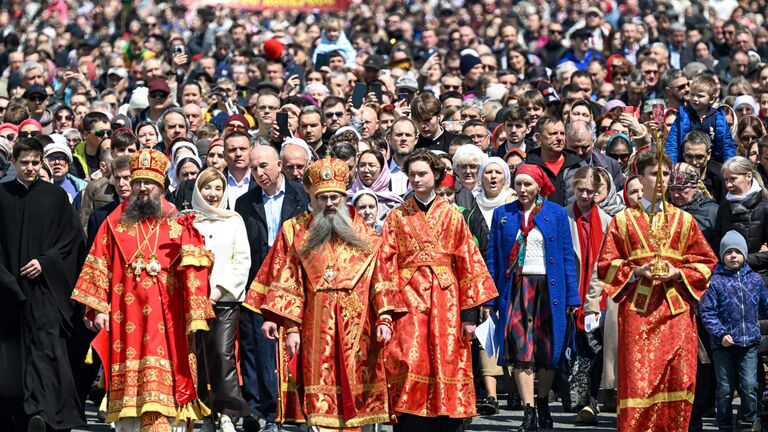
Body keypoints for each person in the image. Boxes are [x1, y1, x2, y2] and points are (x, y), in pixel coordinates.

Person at [244, 157, 400, 429]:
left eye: (335, 198)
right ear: (312, 196)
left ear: (344, 196)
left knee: (355, 397)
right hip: (314, 327)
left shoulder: (368, 238)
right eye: (323, 197)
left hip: (359, 327)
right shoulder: (295, 231)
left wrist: (384, 318)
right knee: (319, 398)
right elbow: (288, 280)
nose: (329, 204)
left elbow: (381, 279)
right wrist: (289, 327)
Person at [71, 148, 215, 431]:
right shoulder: (114, 221)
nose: (143, 187)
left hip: (167, 313)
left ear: (161, 185)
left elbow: (197, 269)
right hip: (126, 315)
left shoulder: (178, 220)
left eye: (149, 182)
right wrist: (97, 308)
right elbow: (98, 263)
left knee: (167, 376)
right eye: (138, 182)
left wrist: (195, 309)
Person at [376, 149, 497, 431]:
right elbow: (385, 264)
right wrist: (386, 311)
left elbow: (469, 263)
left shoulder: (453, 216)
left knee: (448, 359)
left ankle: (448, 421)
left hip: (448, 301)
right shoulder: (396, 217)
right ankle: (409, 421)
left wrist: (469, 315)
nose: (416, 180)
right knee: (408, 359)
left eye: (422, 174)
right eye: (412, 175)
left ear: (436, 176)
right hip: (407, 302)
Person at [597, 148, 717, 431]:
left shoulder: (685, 220)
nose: (661, 179)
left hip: (676, 314)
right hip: (639, 314)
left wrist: (679, 272)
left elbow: (706, 261)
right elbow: (606, 265)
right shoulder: (623, 220)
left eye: (665, 173)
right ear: (640, 176)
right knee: (641, 381)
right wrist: (636, 271)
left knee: (678, 379)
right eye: (654, 174)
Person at [0, 138, 86, 432]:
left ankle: (48, 414)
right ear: (13, 162)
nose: (30, 168)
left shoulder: (55, 197)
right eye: (24, 163)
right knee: (13, 357)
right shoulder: (1, 194)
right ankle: (19, 416)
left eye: (36, 163)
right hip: (8, 294)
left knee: (48, 351)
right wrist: (6, 279)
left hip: (46, 291)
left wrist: (45, 262)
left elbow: (70, 240)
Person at [486, 163, 580, 432]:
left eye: (528, 184)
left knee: (547, 352)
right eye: (518, 184)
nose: (523, 189)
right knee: (521, 351)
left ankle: (542, 402)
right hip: (516, 288)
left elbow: (566, 257)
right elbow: (494, 259)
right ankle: (528, 411)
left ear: (539, 186)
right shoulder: (503, 214)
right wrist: (491, 300)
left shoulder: (556, 214)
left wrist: (573, 297)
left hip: (549, 290)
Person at [235, 144, 309, 432]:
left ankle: (301, 413)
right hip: (260, 282)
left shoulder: (301, 195)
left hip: (295, 281)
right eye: (253, 168)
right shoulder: (245, 202)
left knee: (296, 348)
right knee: (262, 351)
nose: (259, 173)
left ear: (279, 165)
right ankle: (268, 412)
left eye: (264, 166)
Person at [190, 168, 251, 432]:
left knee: (221, 352)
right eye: (207, 188)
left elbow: (242, 261)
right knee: (199, 354)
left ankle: (228, 411)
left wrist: (217, 291)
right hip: (194, 300)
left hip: (225, 300)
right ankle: (205, 409)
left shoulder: (234, 219)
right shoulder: (189, 221)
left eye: (217, 188)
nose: (213, 194)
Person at [701, 230, 768, 431]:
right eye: (728, 252)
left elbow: (765, 306)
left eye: (737, 252)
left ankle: (748, 420)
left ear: (744, 255)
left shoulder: (755, 280)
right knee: (724, 389)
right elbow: (708, 312)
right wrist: (721, 334)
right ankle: (723, 423)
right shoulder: (715, 282)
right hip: (723, 345)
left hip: (749, 343)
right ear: (722, 256)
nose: (733, 256)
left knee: (749, 385)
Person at [567, 166, 614, 424]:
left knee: (594, 347)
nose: (585, 195)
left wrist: (594, 298)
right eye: (580, 190)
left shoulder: (607, 221)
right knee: (576, 349)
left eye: (590, 191)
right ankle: (576, 398)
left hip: (598, 293)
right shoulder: (564, 217)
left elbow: (606, 263)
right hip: (572, 291)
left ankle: (590, 401)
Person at [713, 156, 768, 282]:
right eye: (726, 180)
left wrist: (741, 259)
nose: (728, 185)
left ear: (748, 176)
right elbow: (717, 242)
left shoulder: (765, 208)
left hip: (758, 276)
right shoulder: (724, 208)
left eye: (733, 179)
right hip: (728, 276)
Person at [665, 74, 736, 165]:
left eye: (700, 96)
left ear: (712, 99)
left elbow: (728, 145)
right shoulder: (683, 116)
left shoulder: (719, 118)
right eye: (692, 94)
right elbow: (673, 143)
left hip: (713, 164)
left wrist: (729, 166)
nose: (695, 99)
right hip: (686, 163)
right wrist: (671, 165)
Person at [347, 149, 403, 221]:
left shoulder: (395, 204)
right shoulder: (346, 199)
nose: (366, 170)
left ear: (383, 170)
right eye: (362, 165)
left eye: (371, 165)